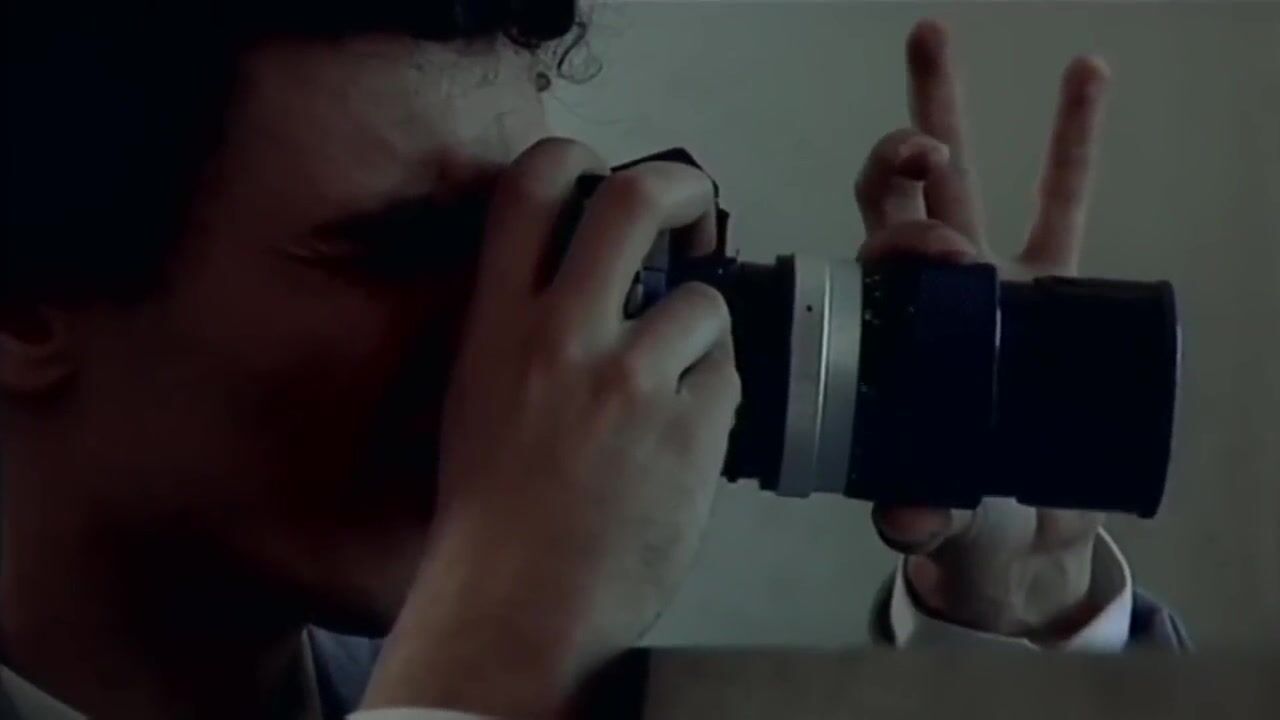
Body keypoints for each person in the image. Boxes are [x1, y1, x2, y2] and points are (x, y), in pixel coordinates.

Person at [0, 2, 1189, 719]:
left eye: (531, 230)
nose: (526, 334)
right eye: (402, 251)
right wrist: (495, 648)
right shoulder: (508, 667)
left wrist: (1015, 616)